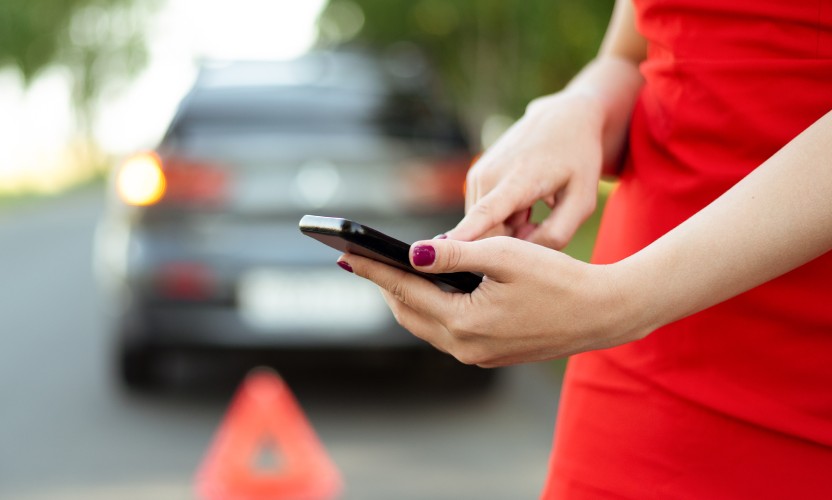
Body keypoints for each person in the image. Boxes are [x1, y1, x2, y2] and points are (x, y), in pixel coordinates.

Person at [335, 0, 832, 496]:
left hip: (795, 375)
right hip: (634, 378)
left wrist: (622, 302)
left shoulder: (621, 306)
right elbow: (635, 52)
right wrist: (580, 106)